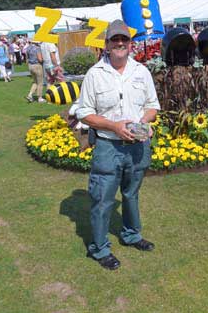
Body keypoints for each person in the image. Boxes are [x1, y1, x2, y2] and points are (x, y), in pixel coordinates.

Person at [75, 20, 160, 271]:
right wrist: (114, 126)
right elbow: (83, 113)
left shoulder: (141, 72)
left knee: (131, 194)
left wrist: (144, 123)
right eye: (115, 40)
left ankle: (132, 234)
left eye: (124, 39)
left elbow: (152, 106)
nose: (120, 43)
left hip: (136, 146)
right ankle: (100, 248)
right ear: (107, 45)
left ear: (130, 44)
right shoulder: (95, 74)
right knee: (102, 198)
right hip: (107, 146)